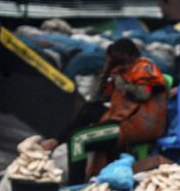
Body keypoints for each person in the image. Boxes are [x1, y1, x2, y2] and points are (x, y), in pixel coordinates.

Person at [47, 38, 168, 183]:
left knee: (78, 139)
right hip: (124, 118)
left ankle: (75, 185)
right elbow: (100, 97)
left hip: (138, 123)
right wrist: (107, 73)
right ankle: (57, 140)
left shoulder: (143, 67)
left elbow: (144, 93)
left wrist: (123, 84)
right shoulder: (121, 72)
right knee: (89, 110)